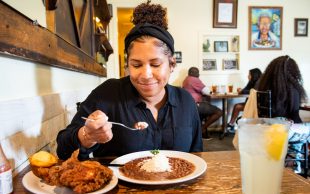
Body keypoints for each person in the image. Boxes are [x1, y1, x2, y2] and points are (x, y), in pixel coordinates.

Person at [56, 1, 202, 160]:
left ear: (171, 64)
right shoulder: (108, 93)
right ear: (127, 65)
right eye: (136, 64)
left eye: (155, 64)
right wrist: (87, 136)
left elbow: (197, 155)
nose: (146, 74)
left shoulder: (186, 101)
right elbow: (62, 150)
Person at [182, 67, 222, 139]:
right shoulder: (195, 80)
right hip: (195, 105)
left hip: (188, 105)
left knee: (203, 114)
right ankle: (202, 129)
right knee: (219, 112)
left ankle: (200, 133)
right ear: (197, 74)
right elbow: (207, 91)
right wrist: (211, 92)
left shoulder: (186, 79)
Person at [227, 68, 262, 132]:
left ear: (254, 75)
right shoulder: (251, 82)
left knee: (237, 107)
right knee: (236, 106)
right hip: (250, 103)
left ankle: (231, 124)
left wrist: (242, 91)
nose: (248, 76)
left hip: (256, 105)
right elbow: (245, 90)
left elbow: (253, 91)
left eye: (249, 74)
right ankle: (231, 124)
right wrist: (241, 90)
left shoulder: (259, 82)